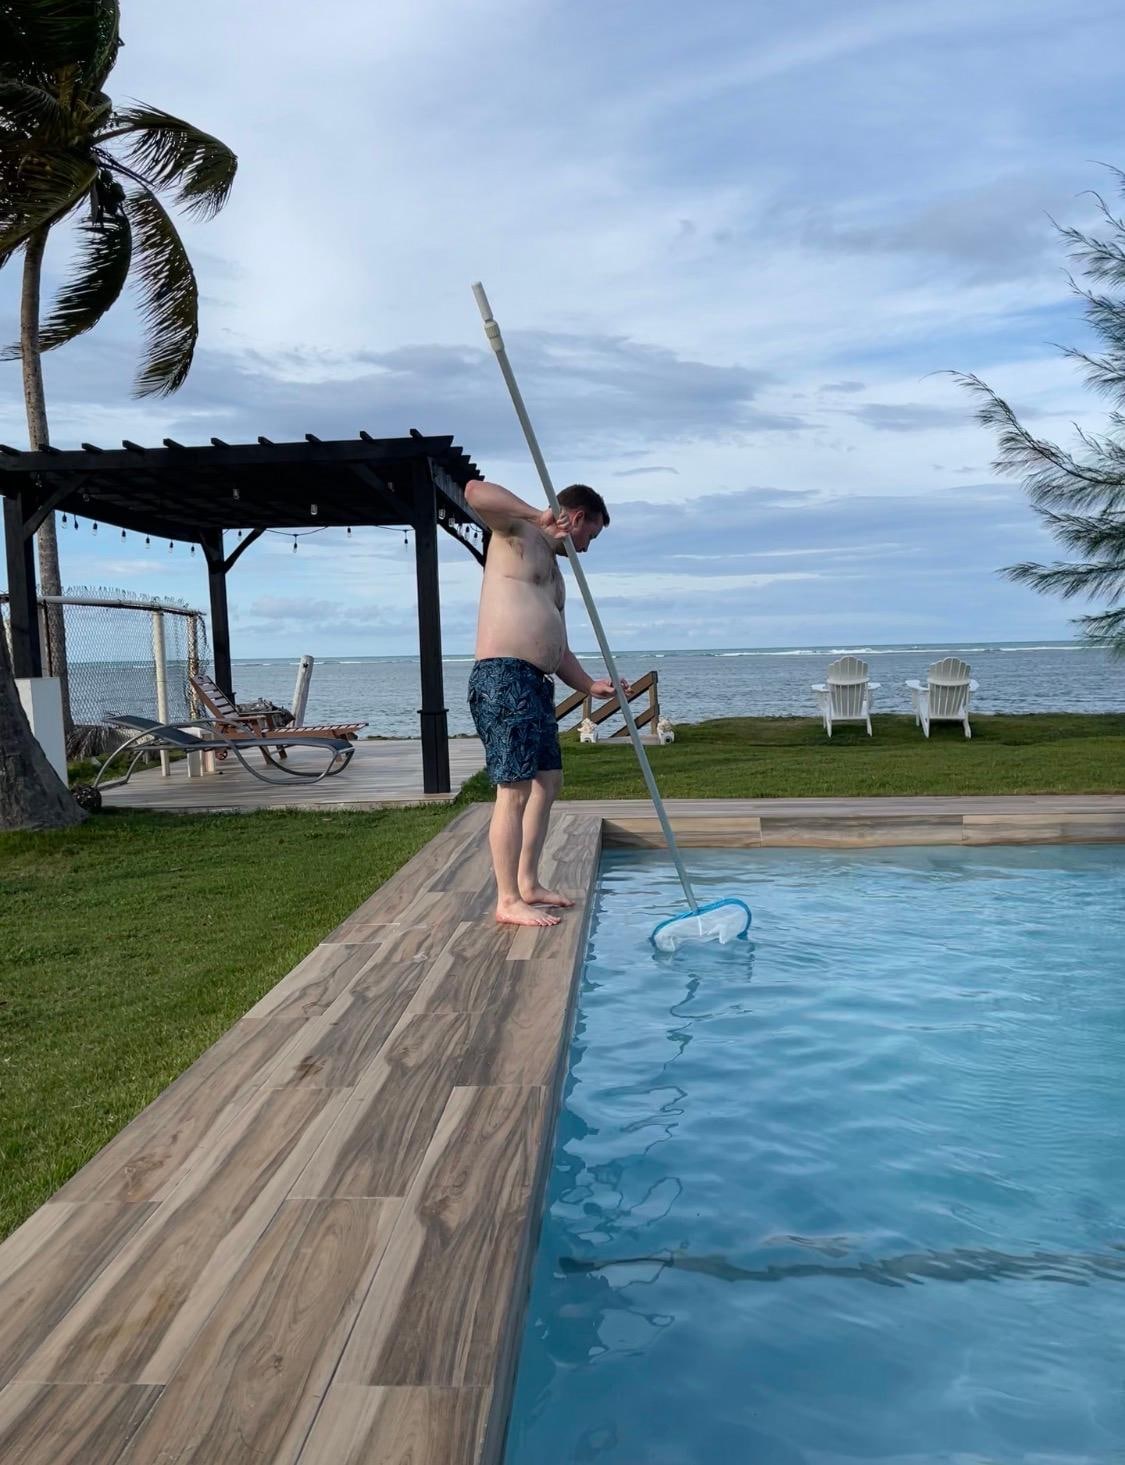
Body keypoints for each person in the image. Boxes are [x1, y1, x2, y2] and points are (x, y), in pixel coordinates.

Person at [463, 479, 626, 927]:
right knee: (514, 788)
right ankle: (507, 899)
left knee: (548, 782)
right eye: (590, 535)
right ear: (576, 518)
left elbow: (561, 650)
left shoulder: (557, 578)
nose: (586, 547)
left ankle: (528, 882)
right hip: (503, 676)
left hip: (536, 683)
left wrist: (590, 686)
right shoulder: (515, 531)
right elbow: (473, 491)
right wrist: (537, 515)